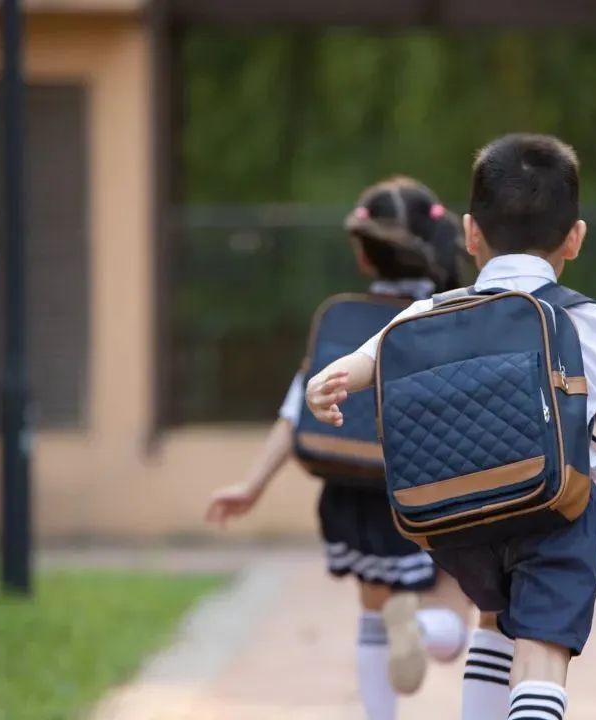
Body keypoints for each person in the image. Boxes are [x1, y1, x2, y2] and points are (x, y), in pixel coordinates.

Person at [303, 134, 596, 719]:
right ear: (575, 238)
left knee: (493, 624)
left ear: (471, 233)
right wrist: (583, 394)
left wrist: (323, 385)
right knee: (541, 653)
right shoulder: (578, 317)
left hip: (458, 517)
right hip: (556, 510)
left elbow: (364, 363)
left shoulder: (430, 313)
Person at [206, 176, 474, 720]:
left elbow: (295, 414)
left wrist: (251, 486)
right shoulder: (450, 317)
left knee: (373, 616)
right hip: (430, 492)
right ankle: (423, 629)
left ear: (364, 255)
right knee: (455, 617)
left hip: (354, 495)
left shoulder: (345, 322)